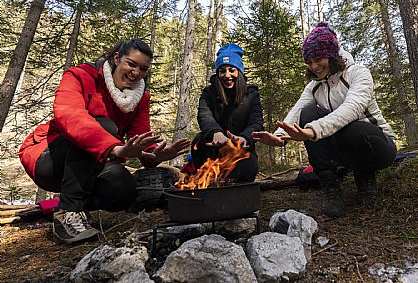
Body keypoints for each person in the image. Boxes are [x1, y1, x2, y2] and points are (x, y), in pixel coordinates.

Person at [19, 39, 190, 244]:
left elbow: (140, 134)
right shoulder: (80, 76)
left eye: (143, 69)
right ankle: (67, 212)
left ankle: (76, 206)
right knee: (105, 126)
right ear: (117, 58)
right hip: (47, 159)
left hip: (95, 161)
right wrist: (115, 148)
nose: (136, 72)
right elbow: (71, 118)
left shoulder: (140, 98)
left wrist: (153, 154)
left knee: (123, 191)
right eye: (131, 64)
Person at [253, 22, 397, 218]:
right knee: (309, 112)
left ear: (332, 55)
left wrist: (313, 131)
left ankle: (365, 178)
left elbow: (351, 110)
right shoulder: (314, 86)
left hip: (378, 146)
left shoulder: (358, 73)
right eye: (309, 61)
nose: (314, 66)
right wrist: (279, 137)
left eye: (319, 59)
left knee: (354, 129)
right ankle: (331, 188)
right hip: (345, 151)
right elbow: (297, 111)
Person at [191, 43, 263, 183]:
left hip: (241, 149)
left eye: (232, 70)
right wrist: (216, 133)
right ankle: (207, 179)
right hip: (213, 149)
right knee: (198, 141)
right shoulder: (209, 93)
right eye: (222, 71)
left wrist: (244, 138)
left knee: (248, 169)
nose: (227, 75)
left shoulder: (251, 94)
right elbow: (204, 116)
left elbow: (256, 122)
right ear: (218, 73)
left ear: (239, 72)